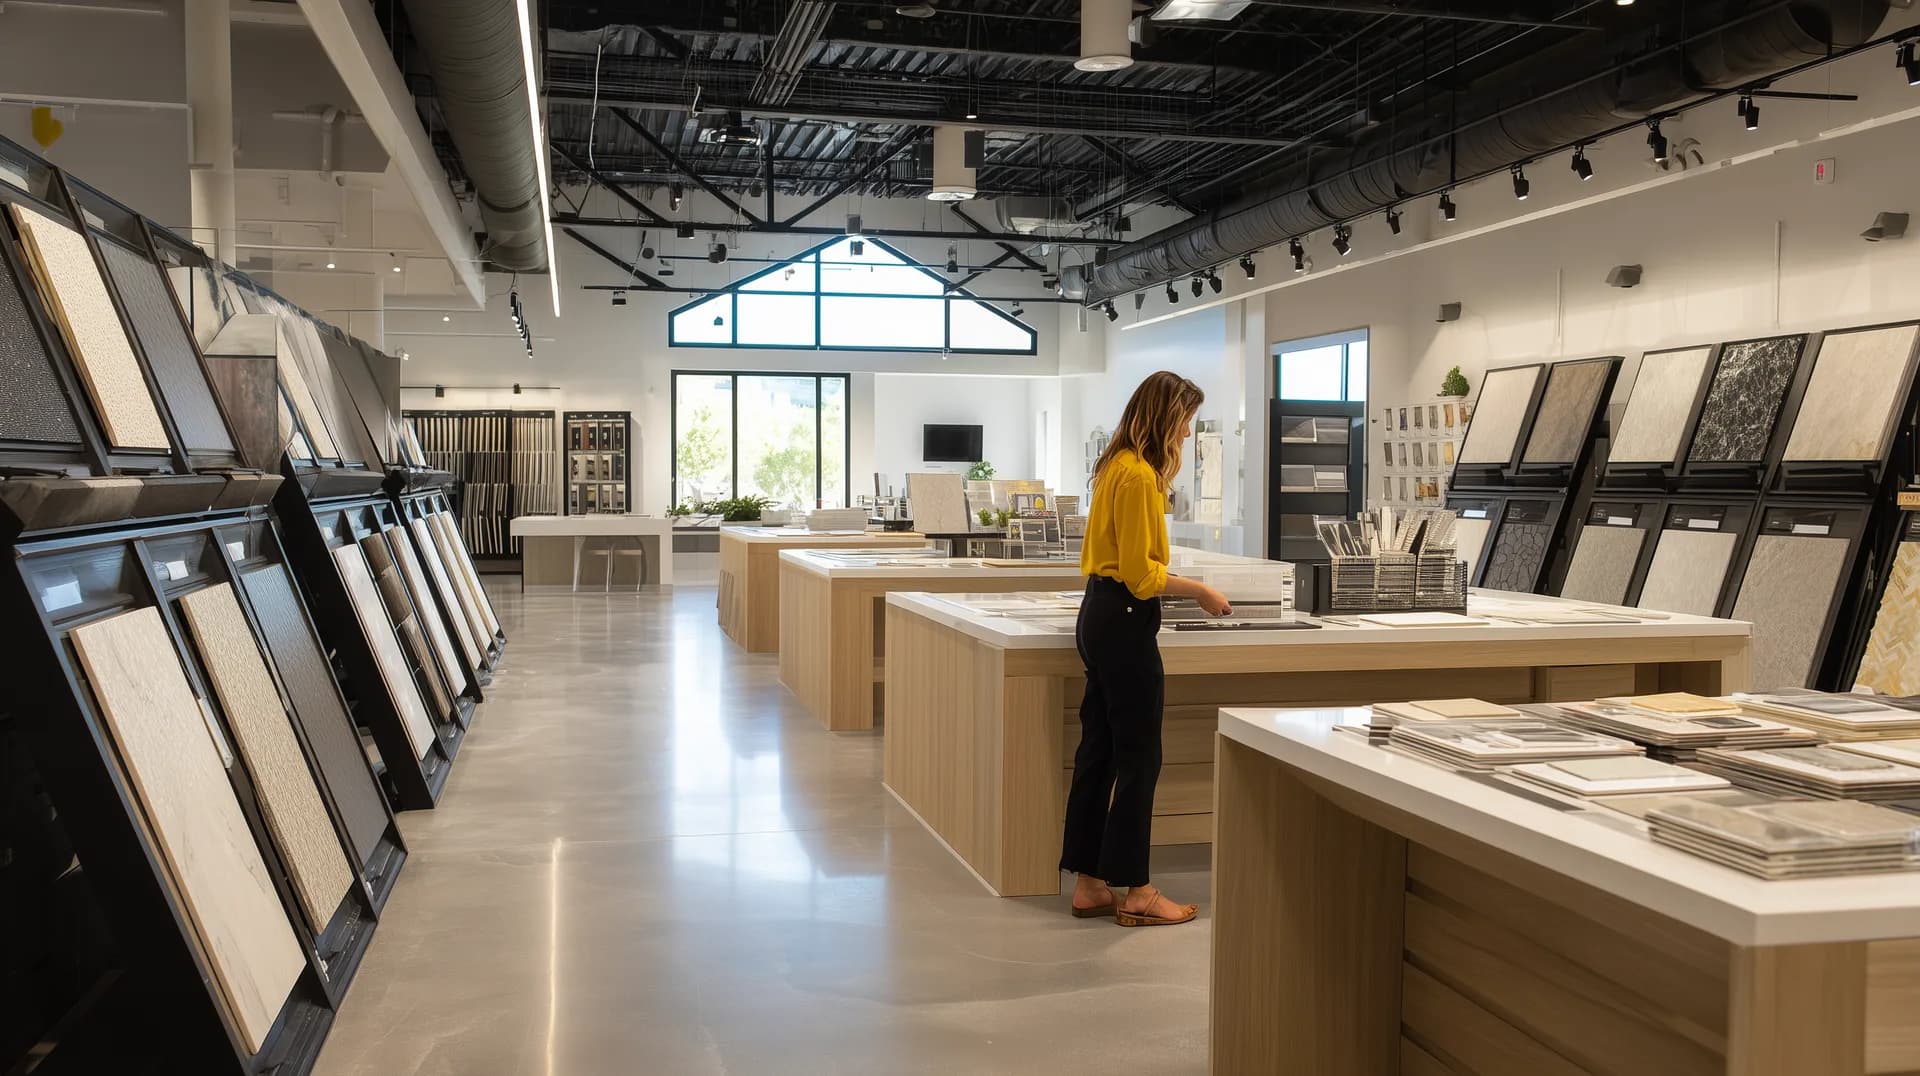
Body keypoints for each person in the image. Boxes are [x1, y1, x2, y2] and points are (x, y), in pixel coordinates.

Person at [1062, 370, 1231, 928]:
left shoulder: (1115, 467)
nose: (1187, 433)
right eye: (1185, 420)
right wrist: (1201, 590)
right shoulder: (1138, 476)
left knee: (1101, 752)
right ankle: (1136, 888)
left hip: (1098, 614)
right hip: (1125, 619)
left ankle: (1089, 882)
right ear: (1165, 417)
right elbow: (1140, 574)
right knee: (1140, 758)